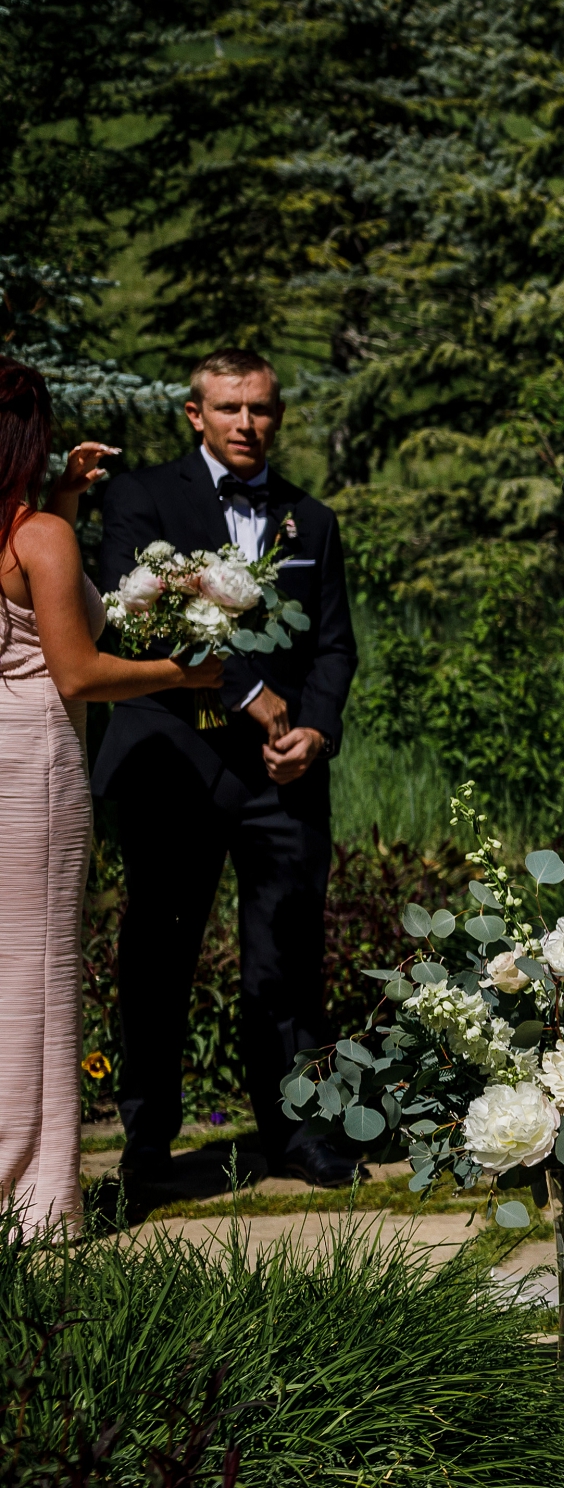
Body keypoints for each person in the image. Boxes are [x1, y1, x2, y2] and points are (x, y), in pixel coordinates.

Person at [96, 349, 359, 1200]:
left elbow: (332, 645)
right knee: (159, 955)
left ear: (278, 416)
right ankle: (146, 1144)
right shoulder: (140, 498)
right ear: (194, 415)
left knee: (283, 958)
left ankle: (296, 1133)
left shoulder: (310, 521)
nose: (247, 423)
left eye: (262, 409)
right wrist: (249, 690)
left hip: (280, 777)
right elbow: (136, 615)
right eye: (230, 407)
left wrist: (314, 728)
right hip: (173, 763)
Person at [3, 363, 229, 1235]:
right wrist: (186, 670)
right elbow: (78, 671)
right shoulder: (43, 541)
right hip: (28, 765)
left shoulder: (31, 529)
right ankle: (32, 1202)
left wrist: (59, 494)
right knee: (38, 976)